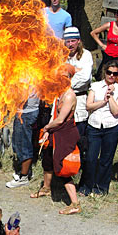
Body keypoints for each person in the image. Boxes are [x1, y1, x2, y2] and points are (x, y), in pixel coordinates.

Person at [31, 64, 81, 215]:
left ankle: (75, 204)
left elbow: (60, 120)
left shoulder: (70, 95)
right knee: (47, 159)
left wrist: (46, 128)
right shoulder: (59, 93)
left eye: (65, 76)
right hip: (56, 132)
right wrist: (48, 132)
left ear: (70, 78)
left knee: (63, 167)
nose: (61, 78)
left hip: (65, 133)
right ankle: (46, 188)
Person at [79, 60, 118, 196]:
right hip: (94, 126)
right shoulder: (95, 86)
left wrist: (110, 97)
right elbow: (89, 106)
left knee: (106, 159)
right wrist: (103, 101)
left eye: (114, 74)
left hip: (111, 127)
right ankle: (86, 186)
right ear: (105, 72)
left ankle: (101, 188)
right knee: (91, 158)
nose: (111, 76)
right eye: (109, 72)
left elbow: (116, 111)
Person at [5, 93, 39, 188]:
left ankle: (23, 178)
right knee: (18, 144)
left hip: (26, 114)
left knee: (24, 146)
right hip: (23, 112)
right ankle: (25, 172)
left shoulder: (30, 79)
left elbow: (22, 96)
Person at [90, 7, 118, 80]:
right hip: (108, 54)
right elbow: (93, 33)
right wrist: (102, 45)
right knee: (101, 76)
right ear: (116, 16)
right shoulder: (109, 25)